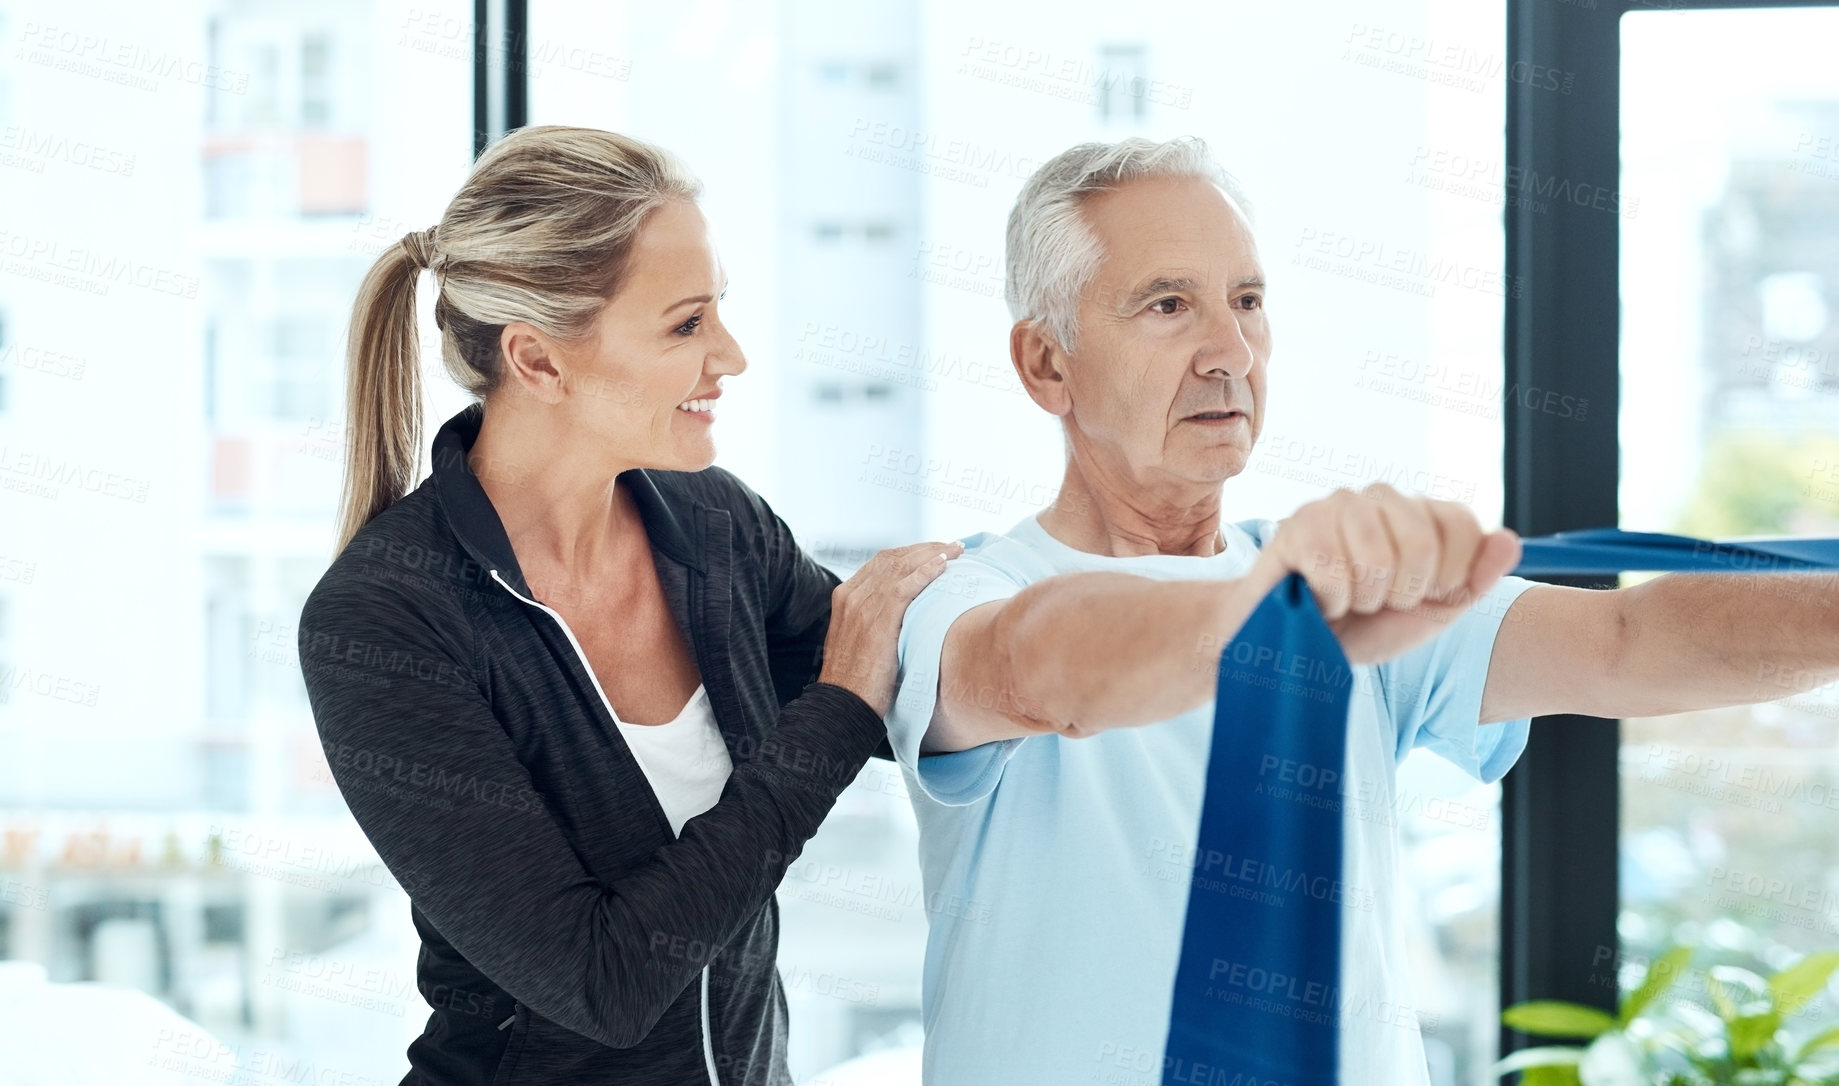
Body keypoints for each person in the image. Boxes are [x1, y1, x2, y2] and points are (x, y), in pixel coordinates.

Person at [882, 136, 1839, 1085]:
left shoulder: (1339, 591)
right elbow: (1039, 670)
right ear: (1046, 363)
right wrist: (1265, 608)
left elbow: (1631, 641)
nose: (1230, 352)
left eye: (1248, 303)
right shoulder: (958, 599)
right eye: (1168, 306)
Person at [296, 125, 963, 1086]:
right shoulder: (386, 622)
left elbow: (908, 687)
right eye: (686, 324)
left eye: (718, 313)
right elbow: (601, 979)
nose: (728, 356)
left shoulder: (713, 526)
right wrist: (837, 707)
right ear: (539, 362)